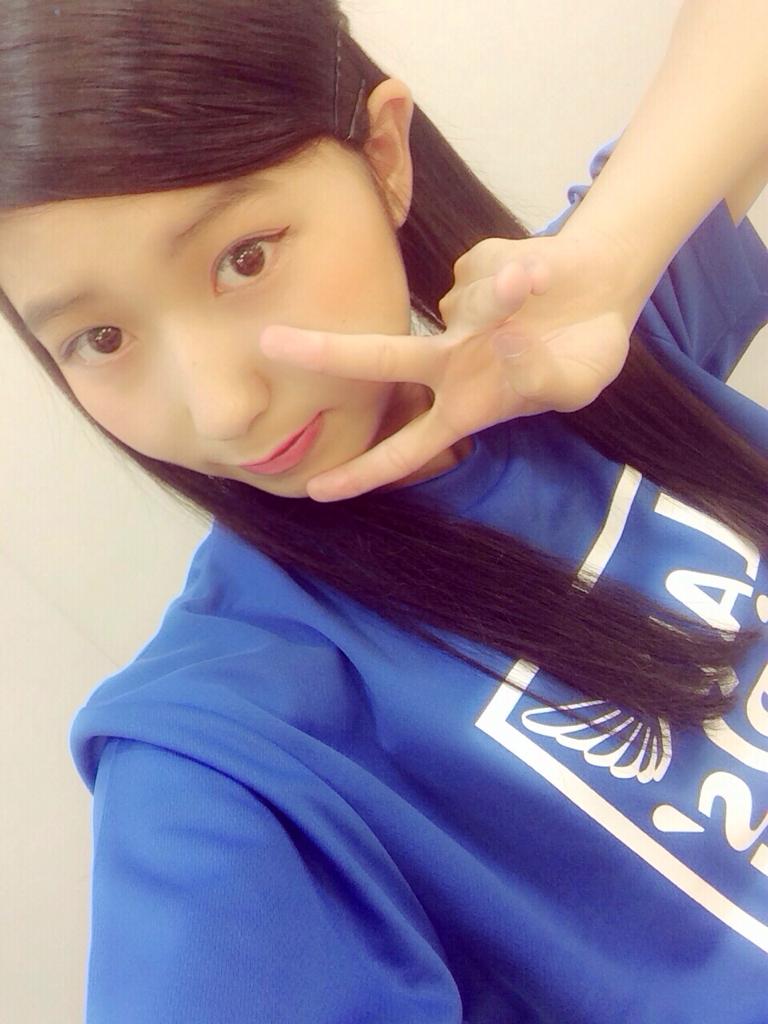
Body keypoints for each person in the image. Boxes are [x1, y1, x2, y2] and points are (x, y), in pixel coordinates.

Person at [0, 1, 766, 1020]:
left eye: (243, 257)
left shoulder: (571, 354)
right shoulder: (224, 756)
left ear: (384, 154)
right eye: (99, 338)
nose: (222, 407)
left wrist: (613, 262)